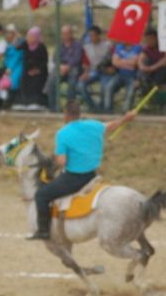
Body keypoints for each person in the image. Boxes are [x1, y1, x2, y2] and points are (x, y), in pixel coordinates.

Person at [28, 101, 137, 240]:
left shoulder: (63, 133)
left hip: (74, 179)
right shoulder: (94, 125)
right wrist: (126, 118)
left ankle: (43, 231)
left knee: (42, 195)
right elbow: (111, 126)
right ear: (79, 114)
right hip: (92, 175)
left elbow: (62, 161)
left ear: (65, 114)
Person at [77, 25, 113, 113]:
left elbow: (112, 58)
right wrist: (85, 72)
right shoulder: (87, 47)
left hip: (105, 71)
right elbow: (86, 63)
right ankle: (93, 107)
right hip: (93, 71)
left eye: (92, 35)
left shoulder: (107, 45)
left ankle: (105, 109)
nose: (91, 38)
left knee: (105, 86)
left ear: (98, 35)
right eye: (89, 36)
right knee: (80, 85)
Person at [47, 25, 84, 111]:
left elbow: (77, 58)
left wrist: (67, 67)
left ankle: (70, 109)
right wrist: (61, 66)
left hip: (73, 68)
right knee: (52, 81)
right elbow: (55, 58)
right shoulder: (60, 45)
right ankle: (53, 107)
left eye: (67, 33)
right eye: (63, 33)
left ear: (71, 34)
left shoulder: (77, 44)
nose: (65, 35)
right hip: (61, 68)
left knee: (72, 83)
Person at [103, 42, 142, 114]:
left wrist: (121, 62)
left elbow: (134, 63)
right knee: (109, 86)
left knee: (130, 91)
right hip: (120, 75)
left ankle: (125, 112)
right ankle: (107, 110)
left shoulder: (137, 47)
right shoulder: (119, 47)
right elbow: (114, 62)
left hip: (133, 76)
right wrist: (128, 63)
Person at [18, 26, 48, 109]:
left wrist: (37, 70)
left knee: (36, 82)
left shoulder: (41, 47)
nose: (30, 38)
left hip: (39, 71)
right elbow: (17, 47)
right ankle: (25, 102)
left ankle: (37, 103)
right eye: (29, 36)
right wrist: (24, 41)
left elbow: (44, 62)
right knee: (23, 80)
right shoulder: (25, 45)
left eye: (32, 36)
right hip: (28, 70)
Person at [3, 24, 23, 107]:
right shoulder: (6, 44)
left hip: (16, 67)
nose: (9, 34)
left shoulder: (19, 42)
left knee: (14, 83)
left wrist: (10, 68)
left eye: (11, 32)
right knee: (6, 84)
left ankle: (14, 103)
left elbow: (17, 56)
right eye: (8, 33)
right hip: (8, 67)